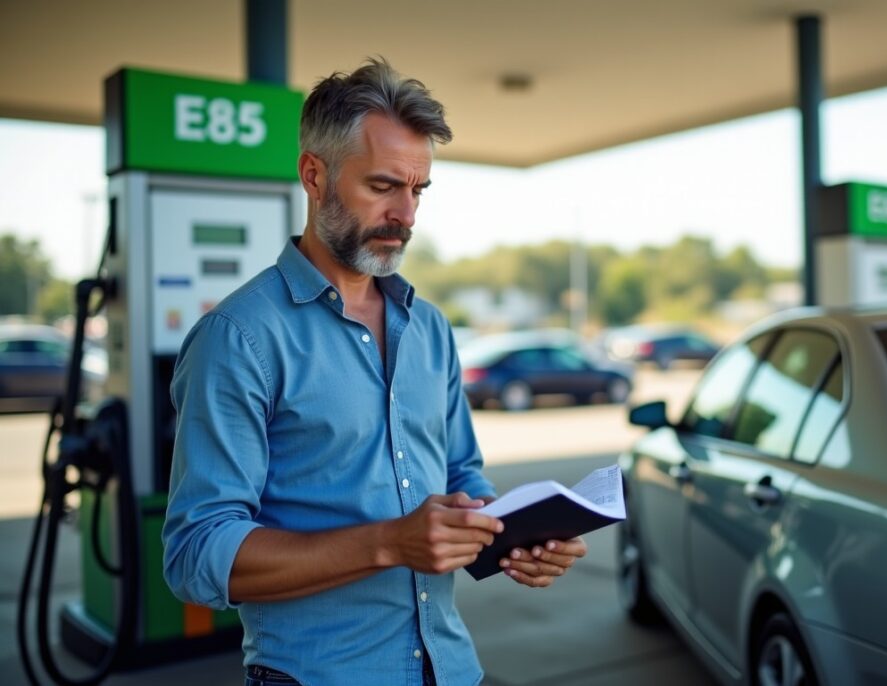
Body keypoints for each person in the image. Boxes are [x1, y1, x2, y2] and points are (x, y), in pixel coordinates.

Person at [163, 58, 587, 686]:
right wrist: (389, 543)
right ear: (315, 175)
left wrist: (510, 533)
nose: (406, 215)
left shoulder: (431, 328)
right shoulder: (239, 339)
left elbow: (461, 474)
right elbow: (196, 554)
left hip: (452, 670)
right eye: (384, 186)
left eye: (418, 191)